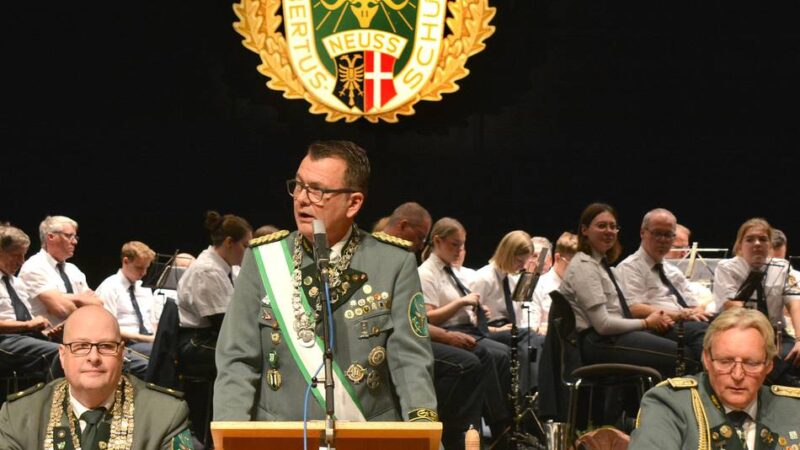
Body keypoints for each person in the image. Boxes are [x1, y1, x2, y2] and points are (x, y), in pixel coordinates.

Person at [214, 140, 438, 424]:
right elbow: (236, 362)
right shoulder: (262, 260)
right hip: (280, 437)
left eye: (317, 190)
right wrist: (230, 436)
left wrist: (423, 429)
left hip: (366, 436)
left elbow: (411, 362)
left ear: (353, 202)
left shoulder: (394, 262)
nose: (302, 199)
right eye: (298, 185)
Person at [0, 305, 193, 449]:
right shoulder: (18, 416)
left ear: (121, 354)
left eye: (106, 346)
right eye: (81, 346)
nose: (93, 357)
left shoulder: (166, 414)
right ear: (62, 355)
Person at [380, 207, 484, 450]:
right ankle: (451, 435)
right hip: (389, 340)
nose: (420, 244)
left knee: (483, 355)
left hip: (409, 337)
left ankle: (474, 433)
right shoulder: (386, 258)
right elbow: (415, 320)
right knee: (468, 363)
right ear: (403, 226)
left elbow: (412, 318)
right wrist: (447, 336)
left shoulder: (403, 258)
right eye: (419, 237)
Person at [629, 308, 800, 450]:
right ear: (707, 360)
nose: (738, 375)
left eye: (751, 363)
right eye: (725, 362)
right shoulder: (669, 403)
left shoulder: (793, 407)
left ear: (769, 365)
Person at [558, 203, 681, 379]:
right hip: (598, 343)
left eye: (613, 226)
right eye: (601, 226)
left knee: (686, 340)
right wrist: (646, 323)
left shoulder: (601, 264)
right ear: (585, 230)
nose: (609, 231)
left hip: (614, 336)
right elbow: (603, 325)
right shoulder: (584, 267)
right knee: (682, 354)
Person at [419, 217, 511, 447]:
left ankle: (503, 419)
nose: (460, 250)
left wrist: (479, 311)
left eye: (462, 244)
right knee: (486, 354)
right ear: (437, 241)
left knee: (503, 352)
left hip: (466, 327)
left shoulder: (454, 271)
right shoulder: (427, 272)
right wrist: (461, 303)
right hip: (444, 331)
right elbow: (427, 317)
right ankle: (499, 425)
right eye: (454, 244)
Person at [616, 208, 711, 370]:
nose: (663, 240)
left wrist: (697, 311)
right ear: (642, 233)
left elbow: (691, 302)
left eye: (668, 235)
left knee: (730, 323)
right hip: (657, 327)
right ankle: (703, 385)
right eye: (657, 234)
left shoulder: (672, 270)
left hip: (682, 321)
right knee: (703, 332)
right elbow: (633, 308)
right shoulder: (630, 267)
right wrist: (679, 315)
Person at [712, 218, 800, 386]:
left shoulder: (782, 267)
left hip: (776, 334)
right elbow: (732, 307)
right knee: (765, 361)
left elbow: (795, 303)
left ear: (770, 246)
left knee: (792, 356)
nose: (757, 244)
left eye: (763, 239)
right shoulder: (727, 268)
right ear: (739, 246)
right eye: (750, 239)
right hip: (740, 333)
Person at [177, 210, 252, 378]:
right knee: (251, 357)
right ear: (229, 242)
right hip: (196, 342)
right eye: (245, 246)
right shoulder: (207, 271)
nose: (248, 252)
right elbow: (224, 325)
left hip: (210, 336)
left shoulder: (226, 267)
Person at [19, 216, 103, 328]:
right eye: (69, 236)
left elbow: (98, 304)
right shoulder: (34, 266)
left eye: (75, 237)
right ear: (51, 237)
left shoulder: (73, 269)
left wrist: (64, 296)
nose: (74, 242)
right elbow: (63, 310)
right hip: (49, 337)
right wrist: (80, 298)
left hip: (77, 334)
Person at [0, 224, 60, 376]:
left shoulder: (17, 283)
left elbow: (27, 320)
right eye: (16, 255)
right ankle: (53, 399)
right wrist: (28, 325)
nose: (21, 262)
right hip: (4, 341)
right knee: (61, 354)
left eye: (24, 255)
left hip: (25, 337)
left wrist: (46, 332)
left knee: (77, 350)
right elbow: (25, 323)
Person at [95, 241, 159, 378]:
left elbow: (152, 321)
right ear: (126, 261)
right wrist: (146, 339)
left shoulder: (144, 288)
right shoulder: (110, 287)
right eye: (139, 268)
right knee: (161, 356)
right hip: (126, 344)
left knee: (174, 352)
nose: (144, 273)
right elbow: (108, 329)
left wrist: (158, 337)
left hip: (147, 341)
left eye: (147, 268)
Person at [526, 232, 578, 336]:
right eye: (572, 264)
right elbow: (531, 328)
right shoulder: (536, 286)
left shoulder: (581, 284)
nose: (577, 269)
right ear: (557, 258)